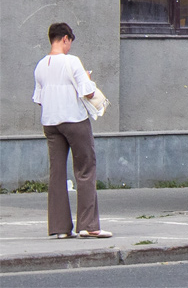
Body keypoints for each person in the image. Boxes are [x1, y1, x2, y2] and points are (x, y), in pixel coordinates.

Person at [33, 22, 110, 238]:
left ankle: (59, 229)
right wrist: (87, 78)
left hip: (50, 122)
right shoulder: (72, 61)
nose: (69, 47)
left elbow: (39, 99)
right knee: (85, 169)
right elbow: (87, 92)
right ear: (65, 38)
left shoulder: (40, 65)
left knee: (56, 172)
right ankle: (88, 225)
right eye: (69, 42)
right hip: (74, 120)